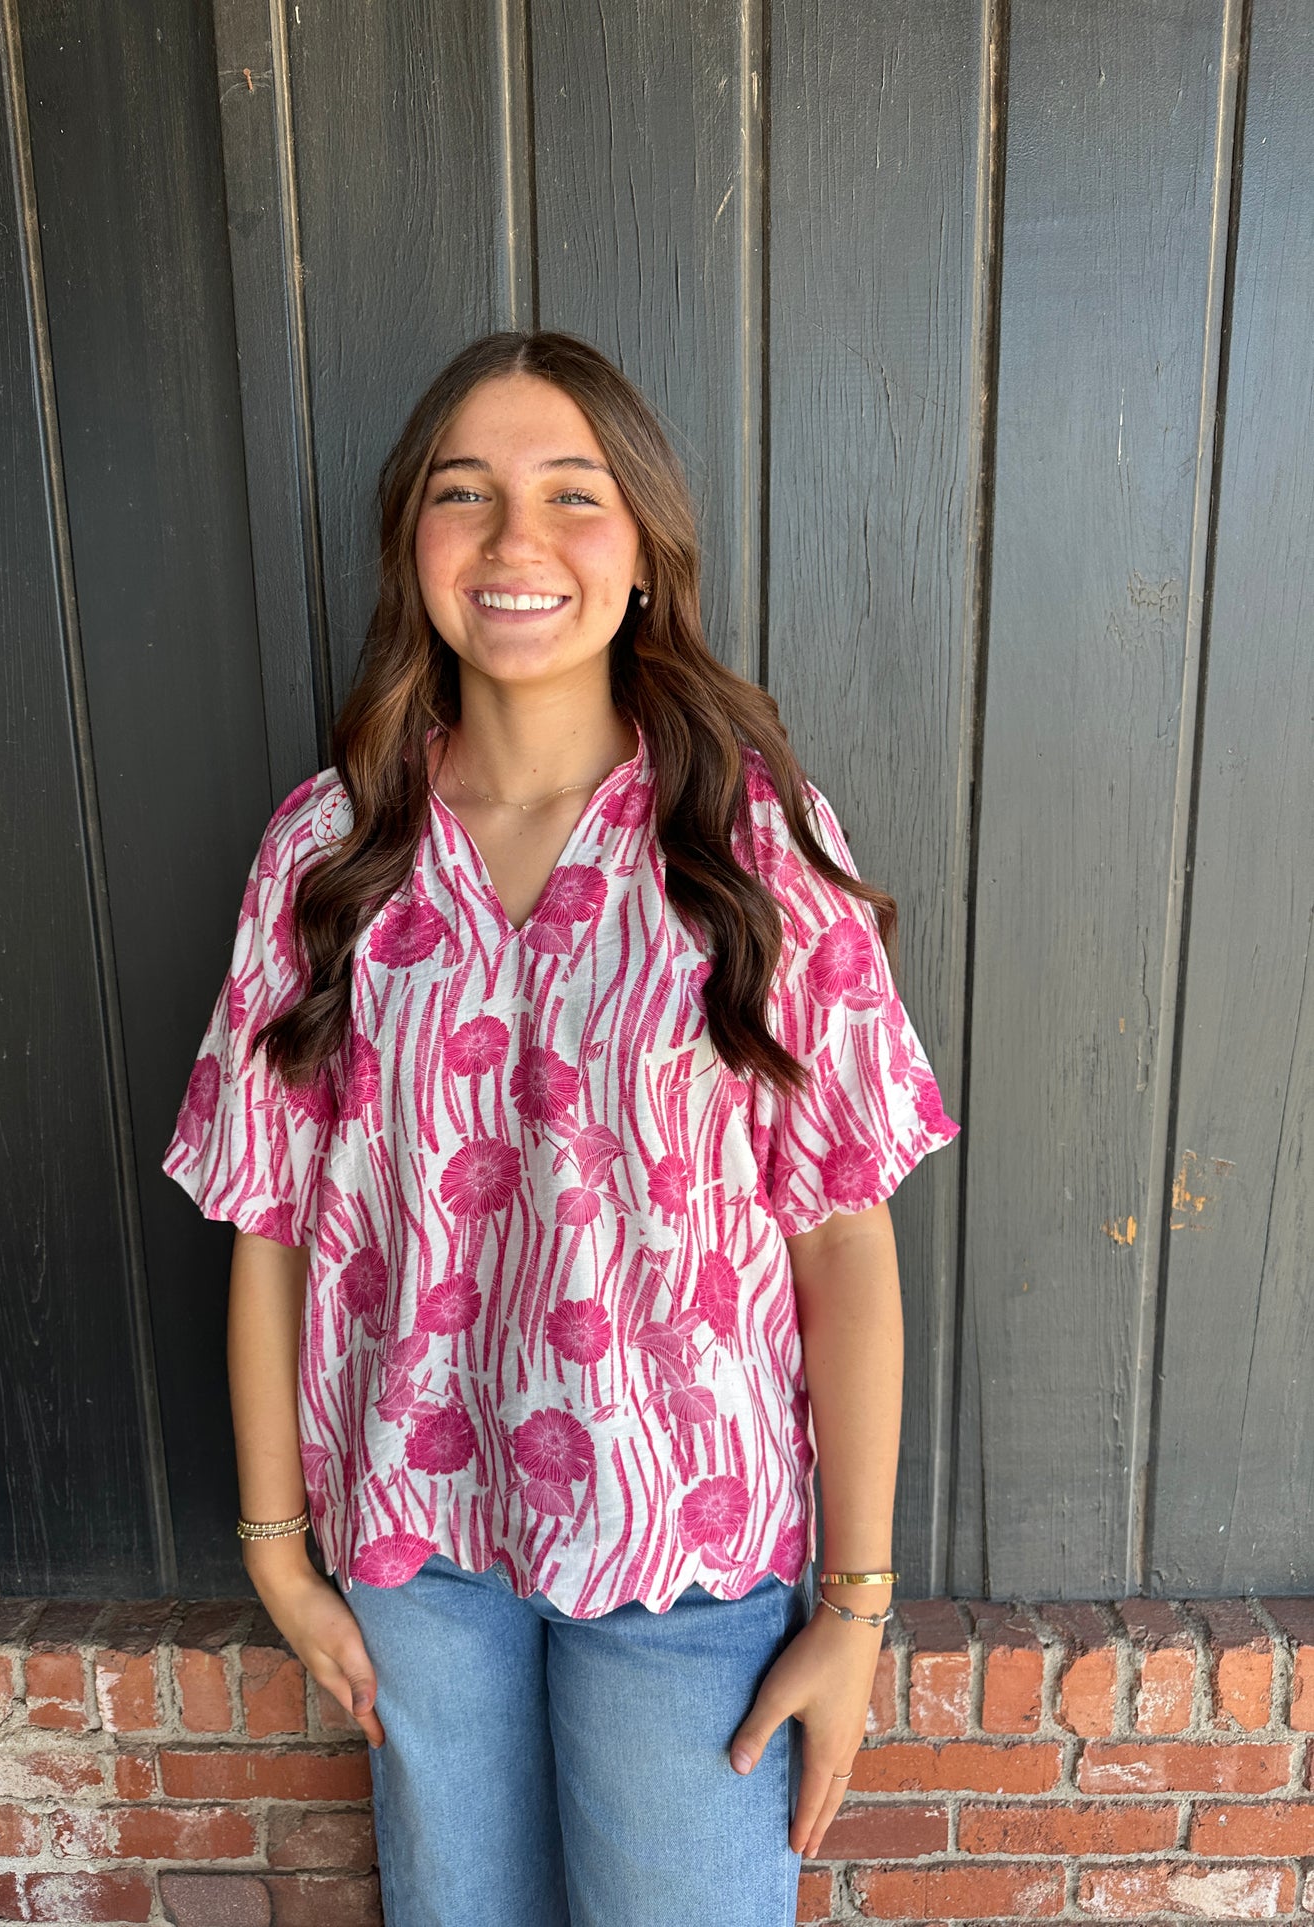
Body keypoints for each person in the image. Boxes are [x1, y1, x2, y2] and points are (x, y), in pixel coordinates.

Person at [162, 328, 959, 1926]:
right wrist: (275, 1552)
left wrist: (856, 1608)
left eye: (572, 494)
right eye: (463, 493)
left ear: (645, 550)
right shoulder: (326, 853)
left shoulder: (751, 845)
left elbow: (842, 1241)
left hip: (691, 1558)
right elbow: (269, 1223)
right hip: (415, 1551)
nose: (514, 540)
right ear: (413, 545)